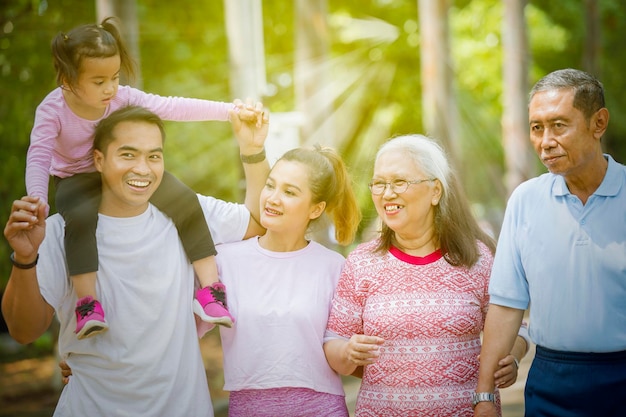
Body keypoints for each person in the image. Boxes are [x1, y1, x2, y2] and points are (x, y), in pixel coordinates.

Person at [2, 105, 269, 416]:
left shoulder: (189, 214)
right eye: (128, 155)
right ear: (99, 160)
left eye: (153, 156)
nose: (143, 169)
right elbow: (23, 331)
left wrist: (252, 150)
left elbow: (258, 220)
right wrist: (25, 257)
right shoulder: (60, 231)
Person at [26, 17, 263, 339]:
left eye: (114, 77)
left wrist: (229, 111)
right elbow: (39, 155)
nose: (110, 88)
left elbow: (172, 107)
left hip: (126, 173)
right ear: (68, 79)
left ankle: (210, 291)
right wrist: (36, 197)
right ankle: (88, 303)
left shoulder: (121, 97)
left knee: (185, 200)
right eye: (98, 82)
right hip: (76, 179)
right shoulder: (52, 109)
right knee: (79, 220)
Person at [323, 135, 530, 416]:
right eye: (380, 183)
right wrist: (347, 352)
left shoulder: (477, 258)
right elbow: (333, 341)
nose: (386, 193)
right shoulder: (361, 262)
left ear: (435, 191)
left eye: (399, 182)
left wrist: (513, 358)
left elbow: (516, 327)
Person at [474, 68, 626, 416]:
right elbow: (506, 304)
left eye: (559, 125)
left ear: (598, 123)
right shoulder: (525, 201)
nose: (545, 141)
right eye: (536, 127)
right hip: (550, 382)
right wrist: (485, 396)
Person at [213, 145, 361, 416]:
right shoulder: (223, 260)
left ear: (316, 209)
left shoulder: (335, 267)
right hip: (248, 409)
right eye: (270, 186)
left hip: (321, 408)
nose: (272, 198)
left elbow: (342, 347)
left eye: (289, 192)